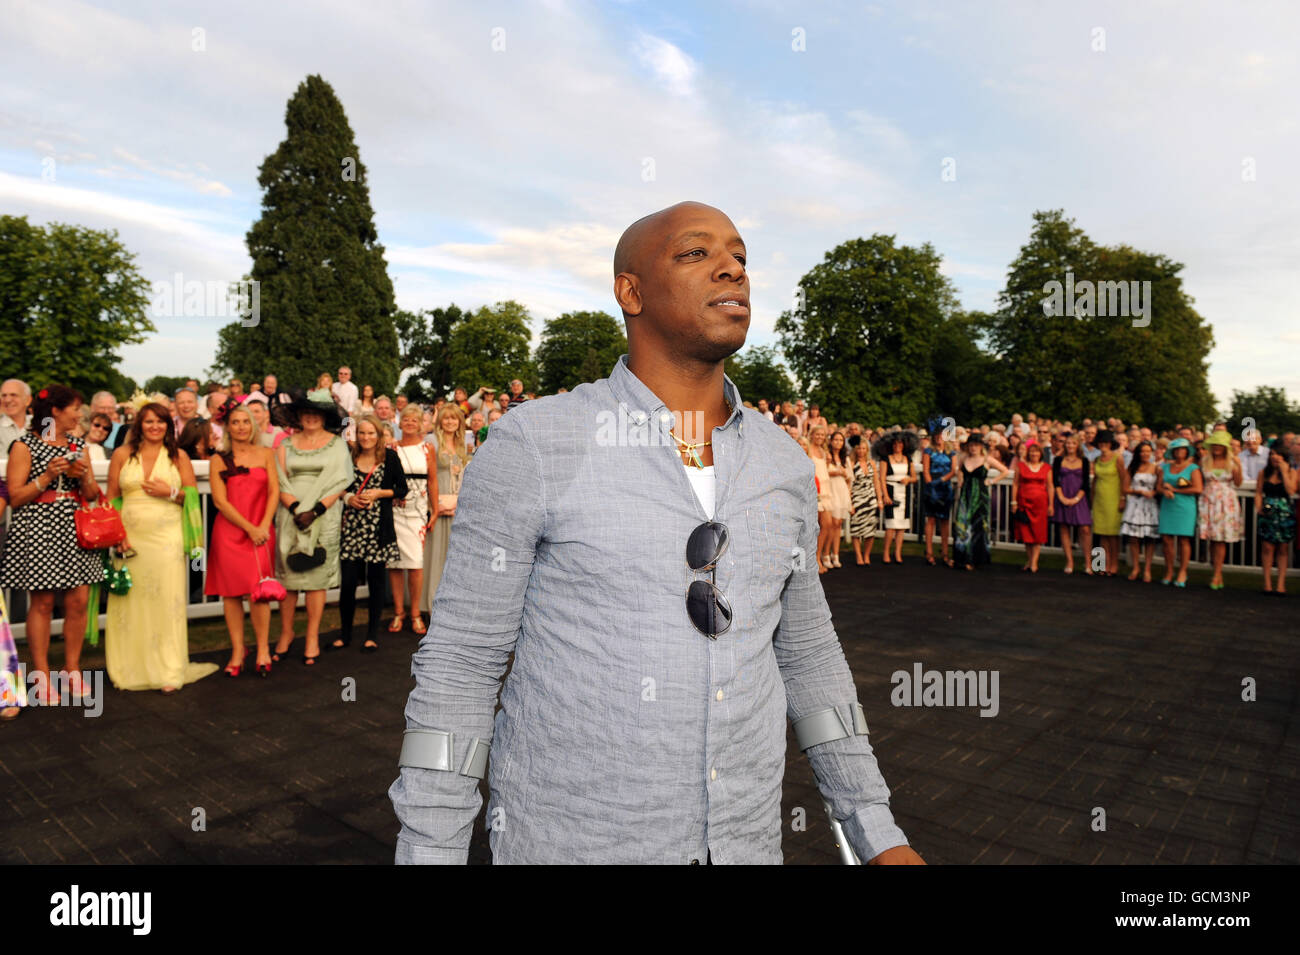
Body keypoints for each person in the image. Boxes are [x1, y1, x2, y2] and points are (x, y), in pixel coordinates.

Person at [390, 201, 922, 865]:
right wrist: (429, 852)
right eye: (696, 253)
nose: (732, 267)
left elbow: (810, 658)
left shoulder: (783, 463)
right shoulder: (536, 444)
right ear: (630, 290)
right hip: (574, 845)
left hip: (746, 847)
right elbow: (461, 669)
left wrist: (876, 832)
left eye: (740, 256)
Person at [1, 385, 104, 703]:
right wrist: (46, 477)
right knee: (43, 603)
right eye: (75, 407)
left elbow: (89, 495)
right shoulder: (24, 445)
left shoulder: (78, 444)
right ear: (56, 411)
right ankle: (42, 676)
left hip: (74, 526)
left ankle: (72, 670)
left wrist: (84, 475)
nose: (80, 413)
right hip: (38, 527)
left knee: (77, 601)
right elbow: (15, 497)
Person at [104, 403, 216, 692]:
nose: (155, 426)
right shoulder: (122, 455)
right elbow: (112, 498)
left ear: (169, 425)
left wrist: (171, 492)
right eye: (149, 421)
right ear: (139, 424)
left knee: (167, 601)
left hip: (167, 540)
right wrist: (117, 535)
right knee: (131, 603)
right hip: (130, 541)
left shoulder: (178, 456)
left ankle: (168, 667)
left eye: (161, 421)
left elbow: (192, 497)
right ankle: (130, 667)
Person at [272, 389, 353, 665]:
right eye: (306, 412)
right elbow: (279, 480)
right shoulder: (285, 445)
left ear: (324, 416)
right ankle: (285, 633)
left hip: (323, 516)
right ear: (298, 415)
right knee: (289, 578)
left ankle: (312, 637)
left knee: (317, 580)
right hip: (290, 515)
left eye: (316, 412)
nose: (310, 417)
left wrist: (316, 510)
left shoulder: (337, 445)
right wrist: (296, 509)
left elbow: (341, 481)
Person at [206, 404, 279, 677]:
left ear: (254, 425)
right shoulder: (218, 459)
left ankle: (262, 648)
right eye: (235, 422)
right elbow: (219, 501)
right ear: (228, 427)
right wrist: (249, 528)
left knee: (258, 592)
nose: (240, 427)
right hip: (230, 532)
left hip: (261, 532)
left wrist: (262, 526)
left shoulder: (266, 454)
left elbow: (274, 492)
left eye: (245, 422)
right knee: (231, 593)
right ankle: (238, 649)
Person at [333, 415, 407, 652]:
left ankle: (371, 634)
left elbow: (401, 488)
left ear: (379, 435)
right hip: (353, 528)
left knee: (375, 584)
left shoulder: (389, 456)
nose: (366, 437)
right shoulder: (348, 456)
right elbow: (336, 485)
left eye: (370, 433)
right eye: (362, 433)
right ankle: (345, 634)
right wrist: (348, 498)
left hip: (377, 529)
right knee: (348, 584)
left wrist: (379, 494)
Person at [418, 403, 471, 612]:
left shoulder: (462, 444)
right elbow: (427, 475)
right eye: (446, 418)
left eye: (454, 418)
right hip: (436, 504)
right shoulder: (431, 441)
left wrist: (458, 500)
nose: (450, 422)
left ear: (459, 422)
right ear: (440, 421)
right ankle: (429, 603)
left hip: (455, 506)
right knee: (434, 554)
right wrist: (434, 503)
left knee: (452, 556)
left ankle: (450, 606)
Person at [388, 406, 435, 635]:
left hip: (417, 511)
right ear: (399, 422)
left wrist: (433, 510)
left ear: (420, 424)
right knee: (394, 563)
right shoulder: (390, 448)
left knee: (415, 563)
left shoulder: (427, 448)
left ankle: (415, 612)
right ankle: (399, 611)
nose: (409, 423)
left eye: (414, 420)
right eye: (405, 419)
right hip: (394, 509)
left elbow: (433, 481)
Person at [952, 433, 1011, 571]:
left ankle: (976, 559)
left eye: (976, 445)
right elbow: (958, 470)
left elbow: (1005, 471)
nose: (973, 448)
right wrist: (960, 480)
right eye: (971, 445)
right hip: (966, 496)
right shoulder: (963, 458)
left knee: (978, 527)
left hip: (980, 497)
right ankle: (962, 558)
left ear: (981, 447)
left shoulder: (987, 459)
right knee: (962, 525)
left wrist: (991, 481)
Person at [1198, 430, 1243, 590]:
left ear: (1225, 447)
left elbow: (1238, 483)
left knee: (1220, 539)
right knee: (1211, 537)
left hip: (1225, 501)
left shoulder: (1233, 461)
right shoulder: (1204, 460)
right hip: (1208, 500)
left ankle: (1217, 573)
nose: (1217, 447)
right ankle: (1216, 570)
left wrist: (1238, 466)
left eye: (1220, 444)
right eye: (1214, 444)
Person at [1158, 438, 1202, 587]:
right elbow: (1158, 487)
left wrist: (1175, 490)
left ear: (1187, 451)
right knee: (1166, 539)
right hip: (1167, 505)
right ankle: (1169, 570)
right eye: (1176, 450)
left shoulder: (1193, 468)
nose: (1179, 452)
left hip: (1185, 507)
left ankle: (1183, 571)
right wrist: (1164, 490)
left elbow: (1197, 488)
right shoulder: (1164, 467)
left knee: (1184, 540)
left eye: (1182, 449)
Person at [1255, 442, 1296, 595]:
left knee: (1283, 548)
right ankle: (1267, 583)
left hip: (1284, 512)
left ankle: (1281, 584)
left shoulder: (1292, 472)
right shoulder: (1263, 473)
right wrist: (1259, 508)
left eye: (1278, 454)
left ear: (1285, 458)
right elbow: (1258, 492)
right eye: (1272, 454)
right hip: (1268, 511)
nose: (1275, 457)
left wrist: (1284, 472)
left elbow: (1291, 490)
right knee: (1266, 547)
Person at [1052, 432, 1094, 575]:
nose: (1070, 445)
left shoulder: (1084, 461)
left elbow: (1085, 483)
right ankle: (1069, 561)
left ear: (1078, 445)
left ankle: (1089, 562)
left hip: (1079, 498)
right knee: (1064, 527)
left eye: (1073, 443)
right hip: (1062, 495)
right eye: (1068, 443)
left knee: (1085, 529)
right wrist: (1061, 497)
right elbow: (1055, 480)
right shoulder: (1058, 460)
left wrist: (1076, 499)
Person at [874, 432, 917, 565]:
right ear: (891, 445)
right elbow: (881, 479)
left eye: (900, 443)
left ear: (904, 445)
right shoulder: (885, 459)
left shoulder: (908, 459)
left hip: (904, 493)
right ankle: (886, 552)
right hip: (891, 492)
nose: (897, 446)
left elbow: (914, 477)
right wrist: (885, 495)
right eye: (895, 444)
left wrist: (908, 479)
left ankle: (898, 553)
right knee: (891, 526)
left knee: (902, 526)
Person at [1120, 441, 1161, 582]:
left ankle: (1147, 569)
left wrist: (1154, 492)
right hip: (1135, 505)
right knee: (1134, 538)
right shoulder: (1131, 468)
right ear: (1138, 453)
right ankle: (1136, 567)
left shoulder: (1156, 468)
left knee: (1150, 539)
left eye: (1148, 451)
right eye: (1142, 451)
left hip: (1150, 506)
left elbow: (1159, 488)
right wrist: (1138, 491)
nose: (1145, 454)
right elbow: (1125, 488)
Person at [1090, 430, 1128, 577]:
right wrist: (1092, 500)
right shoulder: (1097, 460)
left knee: (1112, 535)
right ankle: (1100, 564)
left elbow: (1124, 478)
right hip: (1099, 500)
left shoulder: (1118, 458)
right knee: (1101, 534)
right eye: (1101, 443)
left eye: (1106, 443)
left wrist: (1123, 498)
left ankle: (1114, 563)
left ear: (1111, 444)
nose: (1103, 445)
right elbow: (1095, 481)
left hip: (1113, 499)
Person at [1011, 441, 1053, 572]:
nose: (1034, 454)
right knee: (1026, 533)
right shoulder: (1021, 466)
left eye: (1037, 451)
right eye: (1032, 451)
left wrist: (1051, 504)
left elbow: (1050, 486)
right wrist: (1013, 502)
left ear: (1041, 453)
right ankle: (1030, 560)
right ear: (1028, 453)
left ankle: (1034, 562)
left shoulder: (1046, 467)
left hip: (1040, 505)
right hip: (1024, 503)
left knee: (1038, 533)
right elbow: (1015, 484)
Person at [920, 424, 955, 567]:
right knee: (931, 520)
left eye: (942, 435)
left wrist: (942, 480)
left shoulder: (951, 452)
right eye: (937, 435)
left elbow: (953, 470)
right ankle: (929, 552)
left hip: (945, 486)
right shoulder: (928, 451)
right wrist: (931, 485)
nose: (939, 438)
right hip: (931, 486)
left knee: (945, 521)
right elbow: (926, 470)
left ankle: (945, 553)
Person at [848, 442, 882, 565]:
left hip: (871, 499)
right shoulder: (851, 464)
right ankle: (858, 556)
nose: (861, 451)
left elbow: (876, 482)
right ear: (855, 450)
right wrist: (850, 503)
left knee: (870, 530)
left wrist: (879, 500)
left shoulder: (871, 463)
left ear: (867, 449)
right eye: (859, 448)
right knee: (856, 529)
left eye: (863, 448)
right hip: (857, 499)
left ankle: (866, 555)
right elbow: (849, 485)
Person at [824, 430, 852, 566]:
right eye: (836, 440)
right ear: (831, 441)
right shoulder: (827, 456)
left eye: (841, 440)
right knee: (831, 524)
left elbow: (849, 478)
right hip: (830, 491)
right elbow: (823, 473)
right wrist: (835, 472)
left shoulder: (845, 458)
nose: (838, 443)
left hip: (842, 492)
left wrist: (843, 473)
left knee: (838, 525)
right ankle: (825, 554)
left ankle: (835, 554)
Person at [0, 379, 32, 454]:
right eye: (4, 395)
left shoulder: (41, 425)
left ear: (28, 400)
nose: (7, 400)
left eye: (13, 395)